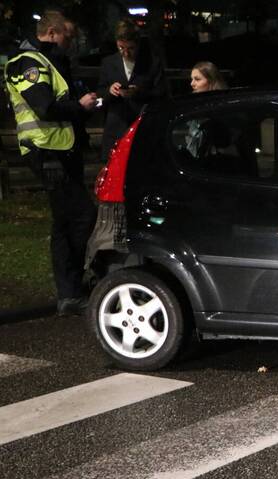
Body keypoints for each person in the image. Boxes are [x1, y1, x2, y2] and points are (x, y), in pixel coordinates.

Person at [4, 10, 98, 315]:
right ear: (54, 32)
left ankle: (70, 292)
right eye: (68, 36)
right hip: (46, 153)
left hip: (60, 150)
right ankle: (73, 287)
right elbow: (45, 107)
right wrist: (80, 107)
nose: (70, 42)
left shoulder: (47, 61)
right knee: (83, 215)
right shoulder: (26, 62)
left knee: (66, 221)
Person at [97, 19, 167, 159]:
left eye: (130, 48)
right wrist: (109, 91)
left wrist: (139, 92)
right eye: (121, 48)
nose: (126, 53)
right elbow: (99, 94)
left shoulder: (152, 63)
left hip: (142, 128)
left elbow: (162, 93)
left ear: (138, 44)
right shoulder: (109, 63)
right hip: (116, 128)